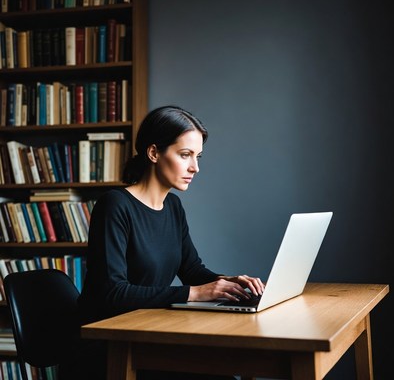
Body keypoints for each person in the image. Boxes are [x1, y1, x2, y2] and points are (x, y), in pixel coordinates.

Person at [74, 105, 264, 380]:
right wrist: (195, 294)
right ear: (154, 153)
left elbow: (192, 270)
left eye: (198, 156)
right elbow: (112, 293)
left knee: (231, 366)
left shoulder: (172, 206)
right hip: (109, 345)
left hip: (147, 332)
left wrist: (231, 283)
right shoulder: (115, 205)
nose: (195, 167)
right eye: (185, 155)